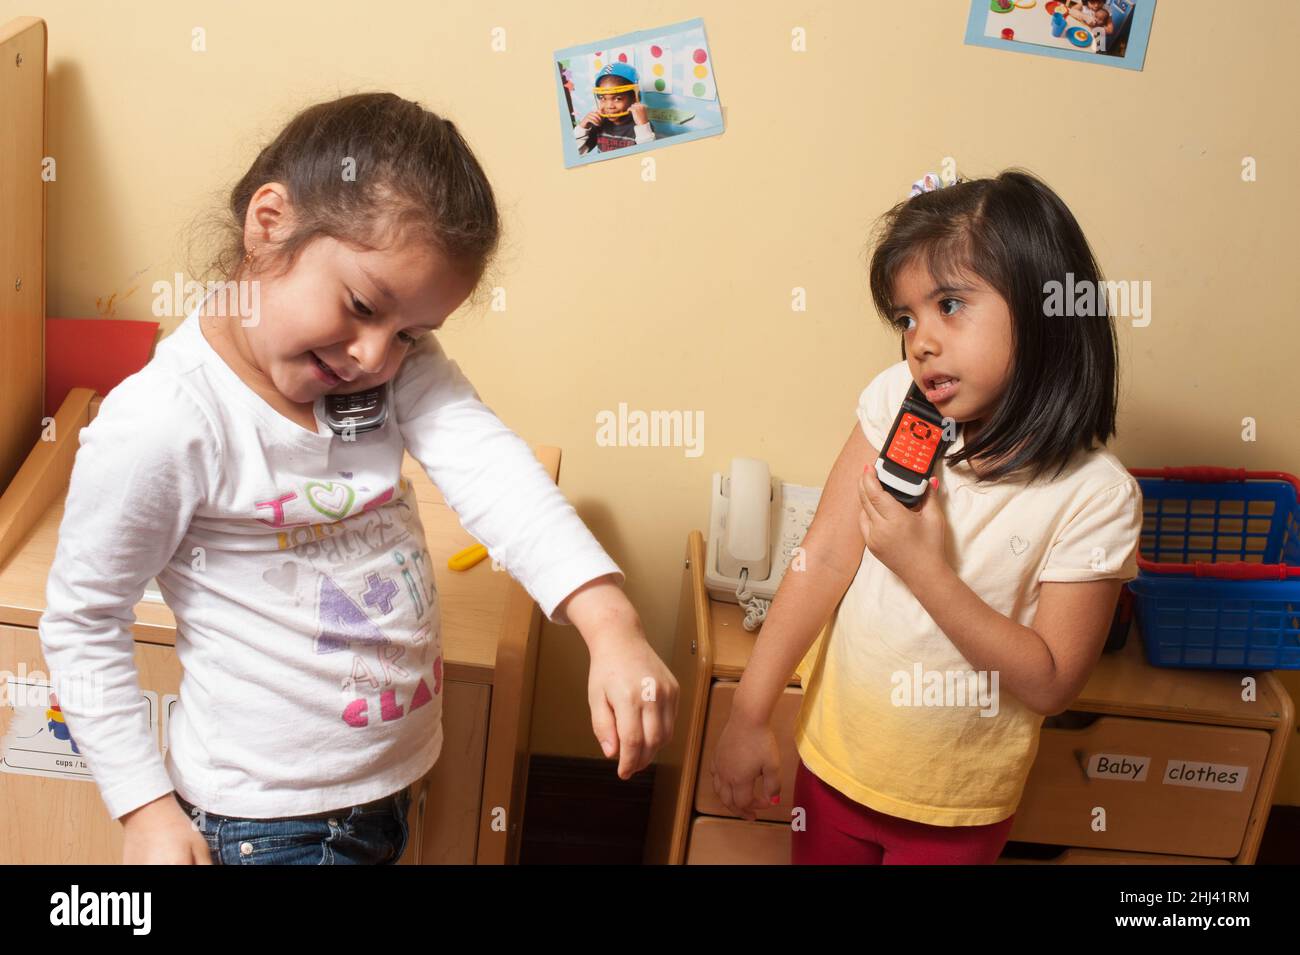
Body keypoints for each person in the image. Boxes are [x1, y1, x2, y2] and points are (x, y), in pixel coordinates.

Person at [39, 92, 677, 865]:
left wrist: (610, 621)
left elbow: (493, 468)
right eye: (362, 305)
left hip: (385, 790)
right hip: (268, 827)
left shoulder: (382, 375)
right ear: (269, 223)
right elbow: (82, 619)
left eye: (410, 332)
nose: (375, 356)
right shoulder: (167, 421)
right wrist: (143, 809)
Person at [710, 169, 1143, 864]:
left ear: (1044, 310)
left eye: (949, 305)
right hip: (832, 762)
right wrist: (749, 713)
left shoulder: (1095, 495)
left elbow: (1052, 680)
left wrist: (923, 567)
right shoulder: (897, 403)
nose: (921, 340)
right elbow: (820, 559)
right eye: (907, 317)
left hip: (958, 807)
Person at [575, 62, 656, 155]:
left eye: (618, 98)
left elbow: (648, 157)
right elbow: (578, 153)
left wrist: (643, 126)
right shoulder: (599, 124)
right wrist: (582, 127)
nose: (609, 106)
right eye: (602, 98)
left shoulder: (641, 125)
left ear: (634, 97)